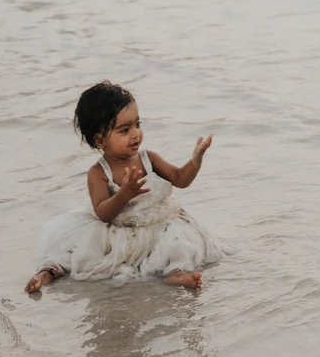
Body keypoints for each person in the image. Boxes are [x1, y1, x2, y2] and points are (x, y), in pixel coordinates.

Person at [26, 81, 219, 293]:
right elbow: (104, 214)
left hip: (158, 224)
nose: (136, 134)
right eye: (124, 130)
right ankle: (47, 273)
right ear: (100, 140)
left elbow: (180, 179)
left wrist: (195, 161)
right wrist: (124, 194)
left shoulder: (149, 159)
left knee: (178, 242)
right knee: (78, 253)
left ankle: (176, 273)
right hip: (119, 230)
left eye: (138, 124)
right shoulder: (99, 172)